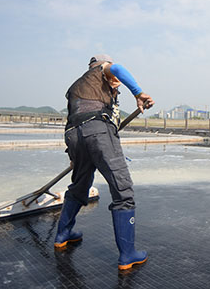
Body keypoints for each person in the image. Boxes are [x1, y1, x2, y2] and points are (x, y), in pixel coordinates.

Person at [54, 54, 154, 271]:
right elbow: (117, 68)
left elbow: (76, 117)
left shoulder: (76, 86)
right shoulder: (102, 70)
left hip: (73, 135)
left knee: (80, 186)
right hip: (97, 130)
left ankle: (62, 234)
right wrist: (138, 93)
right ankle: (128, 255)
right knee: (123, 190)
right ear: (99, 66)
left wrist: (76, 155)